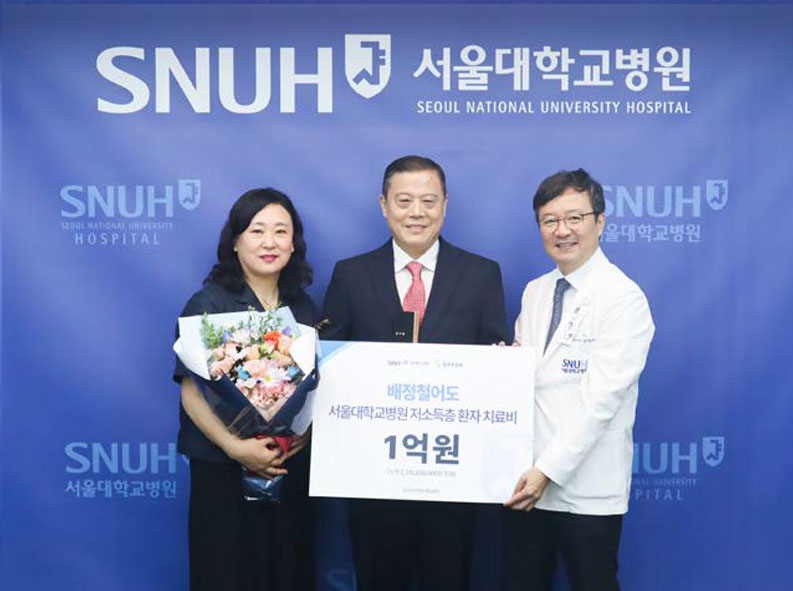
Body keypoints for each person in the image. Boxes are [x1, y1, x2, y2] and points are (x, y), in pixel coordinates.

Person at [321, 155, 508, 591]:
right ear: (384, 205)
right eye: (404, 201)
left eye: (428, 201)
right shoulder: (350, 274)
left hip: (452, 476)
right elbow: (330, 365)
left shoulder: (482, 274)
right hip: (372, 475)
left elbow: (495, 364)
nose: (416, 213)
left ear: (445, 204)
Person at [503, 169, 655, 591]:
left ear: (600, 222)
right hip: (525, 482)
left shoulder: (624, 299)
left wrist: (547, 470)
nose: (562, 230)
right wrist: (503, 369)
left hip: (586, 488)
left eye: (575, 218)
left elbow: (599, 403)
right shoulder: (536, 291)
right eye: (550, 220)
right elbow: (527, 373)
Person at [173, 188, 316, 591]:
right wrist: (236, 448)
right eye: (257, 231)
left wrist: (303, 435)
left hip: (286, 467)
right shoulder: (209, 305)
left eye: (281, 231)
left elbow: (316, 386)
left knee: (287, 571)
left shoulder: (304, 309)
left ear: (293, 243)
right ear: (235, 241)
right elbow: (191, 391)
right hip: (223, 471)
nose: (270, 242)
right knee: (226, 572)